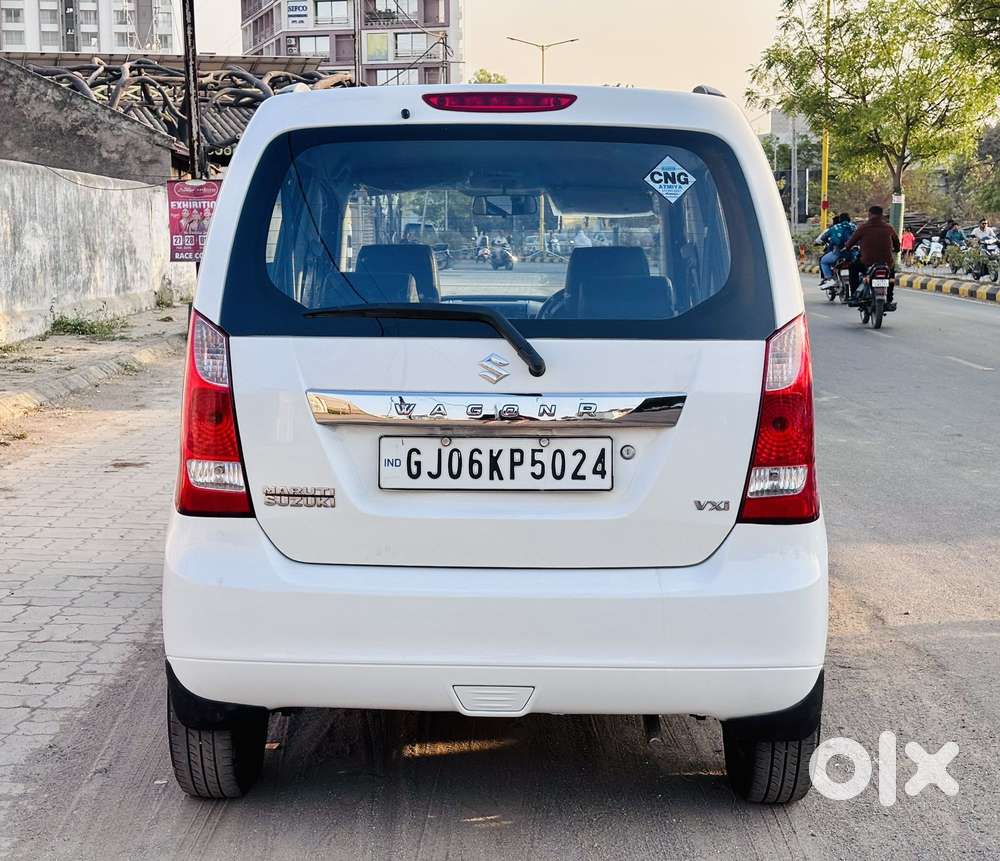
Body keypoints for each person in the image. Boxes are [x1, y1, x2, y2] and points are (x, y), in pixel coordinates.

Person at [844, 205, 901, 305]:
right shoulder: (889, 228)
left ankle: (854, 295)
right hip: (886, 262)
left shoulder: (863, 227)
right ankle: (889, 298)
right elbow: (896, 243)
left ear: (869, 214)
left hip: (867, 262)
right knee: (891, 276)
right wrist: (896, 249)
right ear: (881, 215)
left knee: (853, 268)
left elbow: (851, 242)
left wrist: (847, 248)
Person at [814, 212, 856, 285]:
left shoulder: (834, 227)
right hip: (853, 253)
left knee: (823, 261)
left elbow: (823, 238)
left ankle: (829, 279)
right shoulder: (854, 227)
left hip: (838, 253)